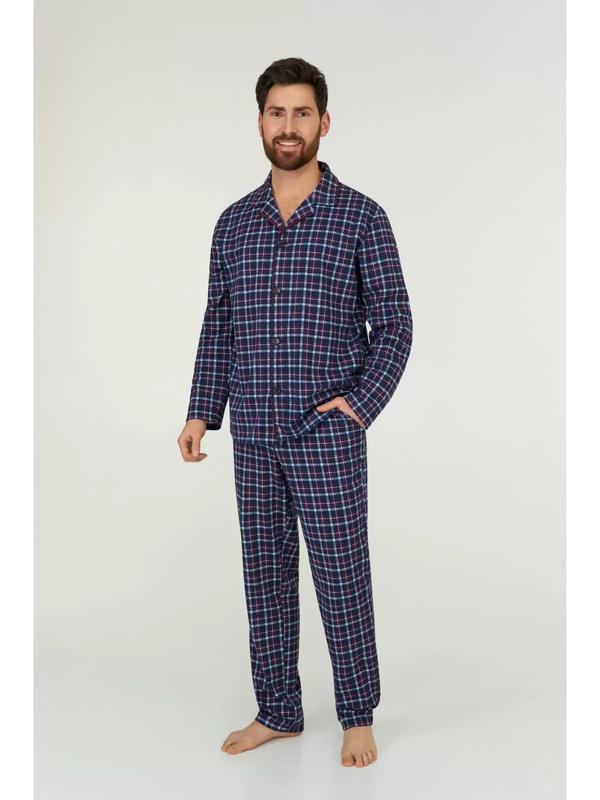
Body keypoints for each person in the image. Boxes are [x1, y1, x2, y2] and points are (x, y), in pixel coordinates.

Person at [177, 57, 413, 768]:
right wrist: (201, 411)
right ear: (260, 122)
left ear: (324, 123)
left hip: (327, 432)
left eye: (301, 113)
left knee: (341, 575)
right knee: (266, 575)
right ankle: (278, 710)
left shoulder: (362, 217)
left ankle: (357, 714)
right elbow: (219, 325)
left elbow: (395, 326)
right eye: (277, 113)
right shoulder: (233, 224)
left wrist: (358, 408)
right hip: (253, 432)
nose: (289, 126)